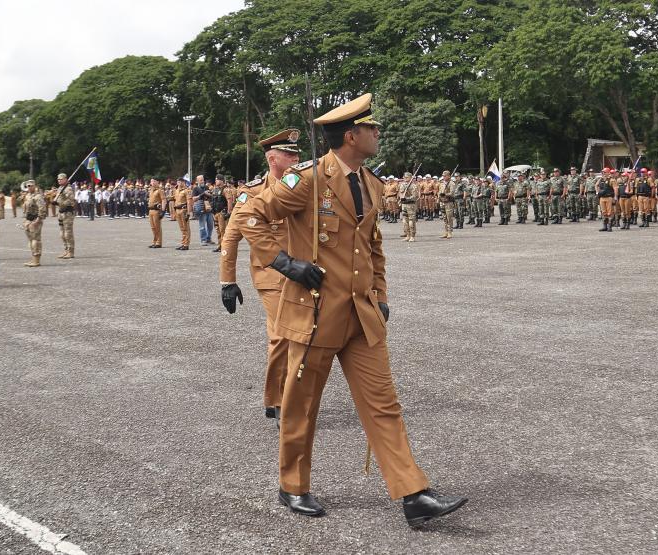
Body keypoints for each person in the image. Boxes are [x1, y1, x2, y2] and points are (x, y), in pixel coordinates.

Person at [233, 93, 467, 526]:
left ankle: (413, 494)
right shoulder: (306, 180)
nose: (378, 133)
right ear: (351, 135)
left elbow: (373, 248)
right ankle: (293, 486)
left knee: (384, 405)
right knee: (301, 407)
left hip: (361, 316)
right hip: (315, 314)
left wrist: (381, 295)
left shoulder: (372, 183)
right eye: (372, 128)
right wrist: (283, 262)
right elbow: (250, 215)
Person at [220, 129, 301, 421]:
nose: (296, 158)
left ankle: (280, 397)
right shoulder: (252, 193)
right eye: (289, 154)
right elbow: (231, 237)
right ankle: (281, 403)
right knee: (282, 336)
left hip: (304, 273)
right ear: (272, 158)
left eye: (297, 154)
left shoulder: (301, 186)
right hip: (271, 277)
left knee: (302, 338)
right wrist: (227, 280)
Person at [21, 180, 46, 267]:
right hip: (28, 220)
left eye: (31, 185)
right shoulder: (27, 196)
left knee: (36, 241)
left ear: (35, 186)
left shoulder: (38, 196)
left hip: (35, 220)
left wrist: (38, 220)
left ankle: (37, 260)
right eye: (28, 186)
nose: (29, 187)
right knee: (31, 241)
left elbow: (42, 208)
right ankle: (33, 258)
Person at [53, 173, 76, 259]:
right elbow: (58, 198)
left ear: (66, 179)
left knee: (68, 233)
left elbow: (71, 201)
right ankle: (66, 250)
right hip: (61, 213)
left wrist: (60, 203)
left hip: (67, 213)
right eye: (58, 179)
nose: (59, 180)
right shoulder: (60, 188)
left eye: (61, 179)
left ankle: (71, 251)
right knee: (62, 234)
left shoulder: (68, 189)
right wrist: (55, 201)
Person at [192, 175, 214, 246]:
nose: (202, 181)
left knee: (210, 225)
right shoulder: (195, 189)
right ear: (197, 181)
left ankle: (208, 239)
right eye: (200, 180)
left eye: (203, 179)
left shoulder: (206, 187)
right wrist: (203, 194)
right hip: (201, 208)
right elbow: (194, 199)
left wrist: (210, 194)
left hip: (208, 208)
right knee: (202, 226)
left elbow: (210, 196)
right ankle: (203, 240)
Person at [148, 178, 166, 248]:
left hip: (156, 211)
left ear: (157, 182)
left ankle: (159, 242)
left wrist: (163, 211)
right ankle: (155, 242)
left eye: (153, 181)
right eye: (151, 181)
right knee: (153, 227)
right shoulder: (151, 190)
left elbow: (164, 200)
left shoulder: (160, 190)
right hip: (150, 210)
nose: (152, 182)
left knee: (157, 227)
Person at [174, 178, 191, 250]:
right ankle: (183, 243)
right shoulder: (176, 190)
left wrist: (188, 213)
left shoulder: (187, 191)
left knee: (186, 228)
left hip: (183, 210)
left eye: (180, 182)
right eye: (178, 182)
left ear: (184, 182)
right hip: (177, 210)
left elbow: (189, 202)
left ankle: (186, 244)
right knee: (182, 228)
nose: (179, 183)